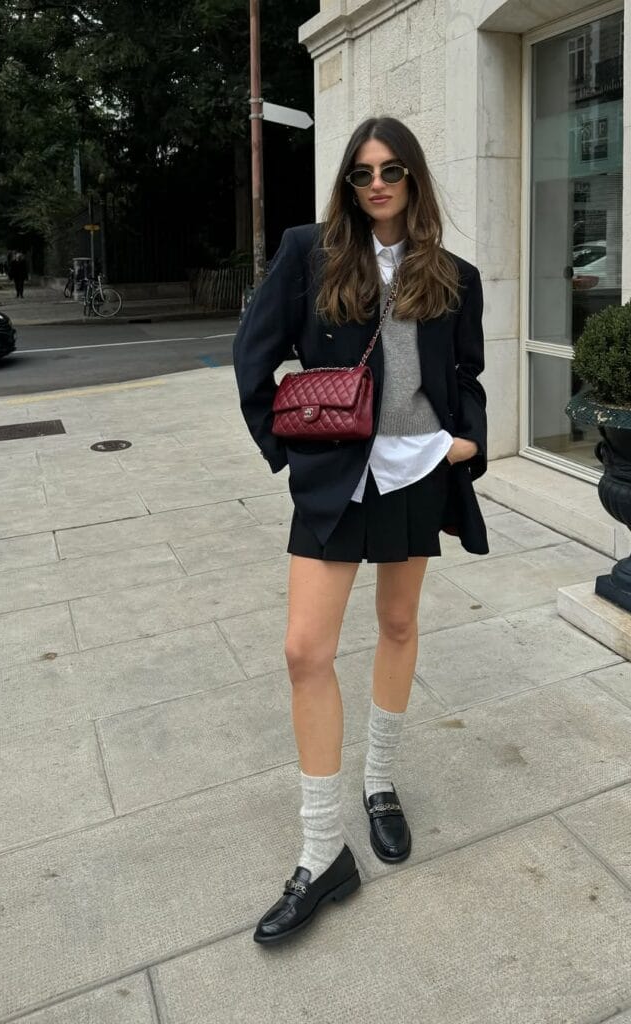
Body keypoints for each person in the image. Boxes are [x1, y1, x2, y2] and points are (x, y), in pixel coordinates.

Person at [234, 116, 488, 945]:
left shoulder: (453, 274)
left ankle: (379, 785)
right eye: (361, 173)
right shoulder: (311, 252)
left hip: (418, 470)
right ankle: (321, 850)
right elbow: (254, 354)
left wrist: (465, 441)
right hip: (337, 477)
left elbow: (465, 372)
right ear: (347, 184)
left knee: (398, 624)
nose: (376, 183)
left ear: (413, 178)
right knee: (304, 650)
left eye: (391, 170)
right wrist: (288, 454)